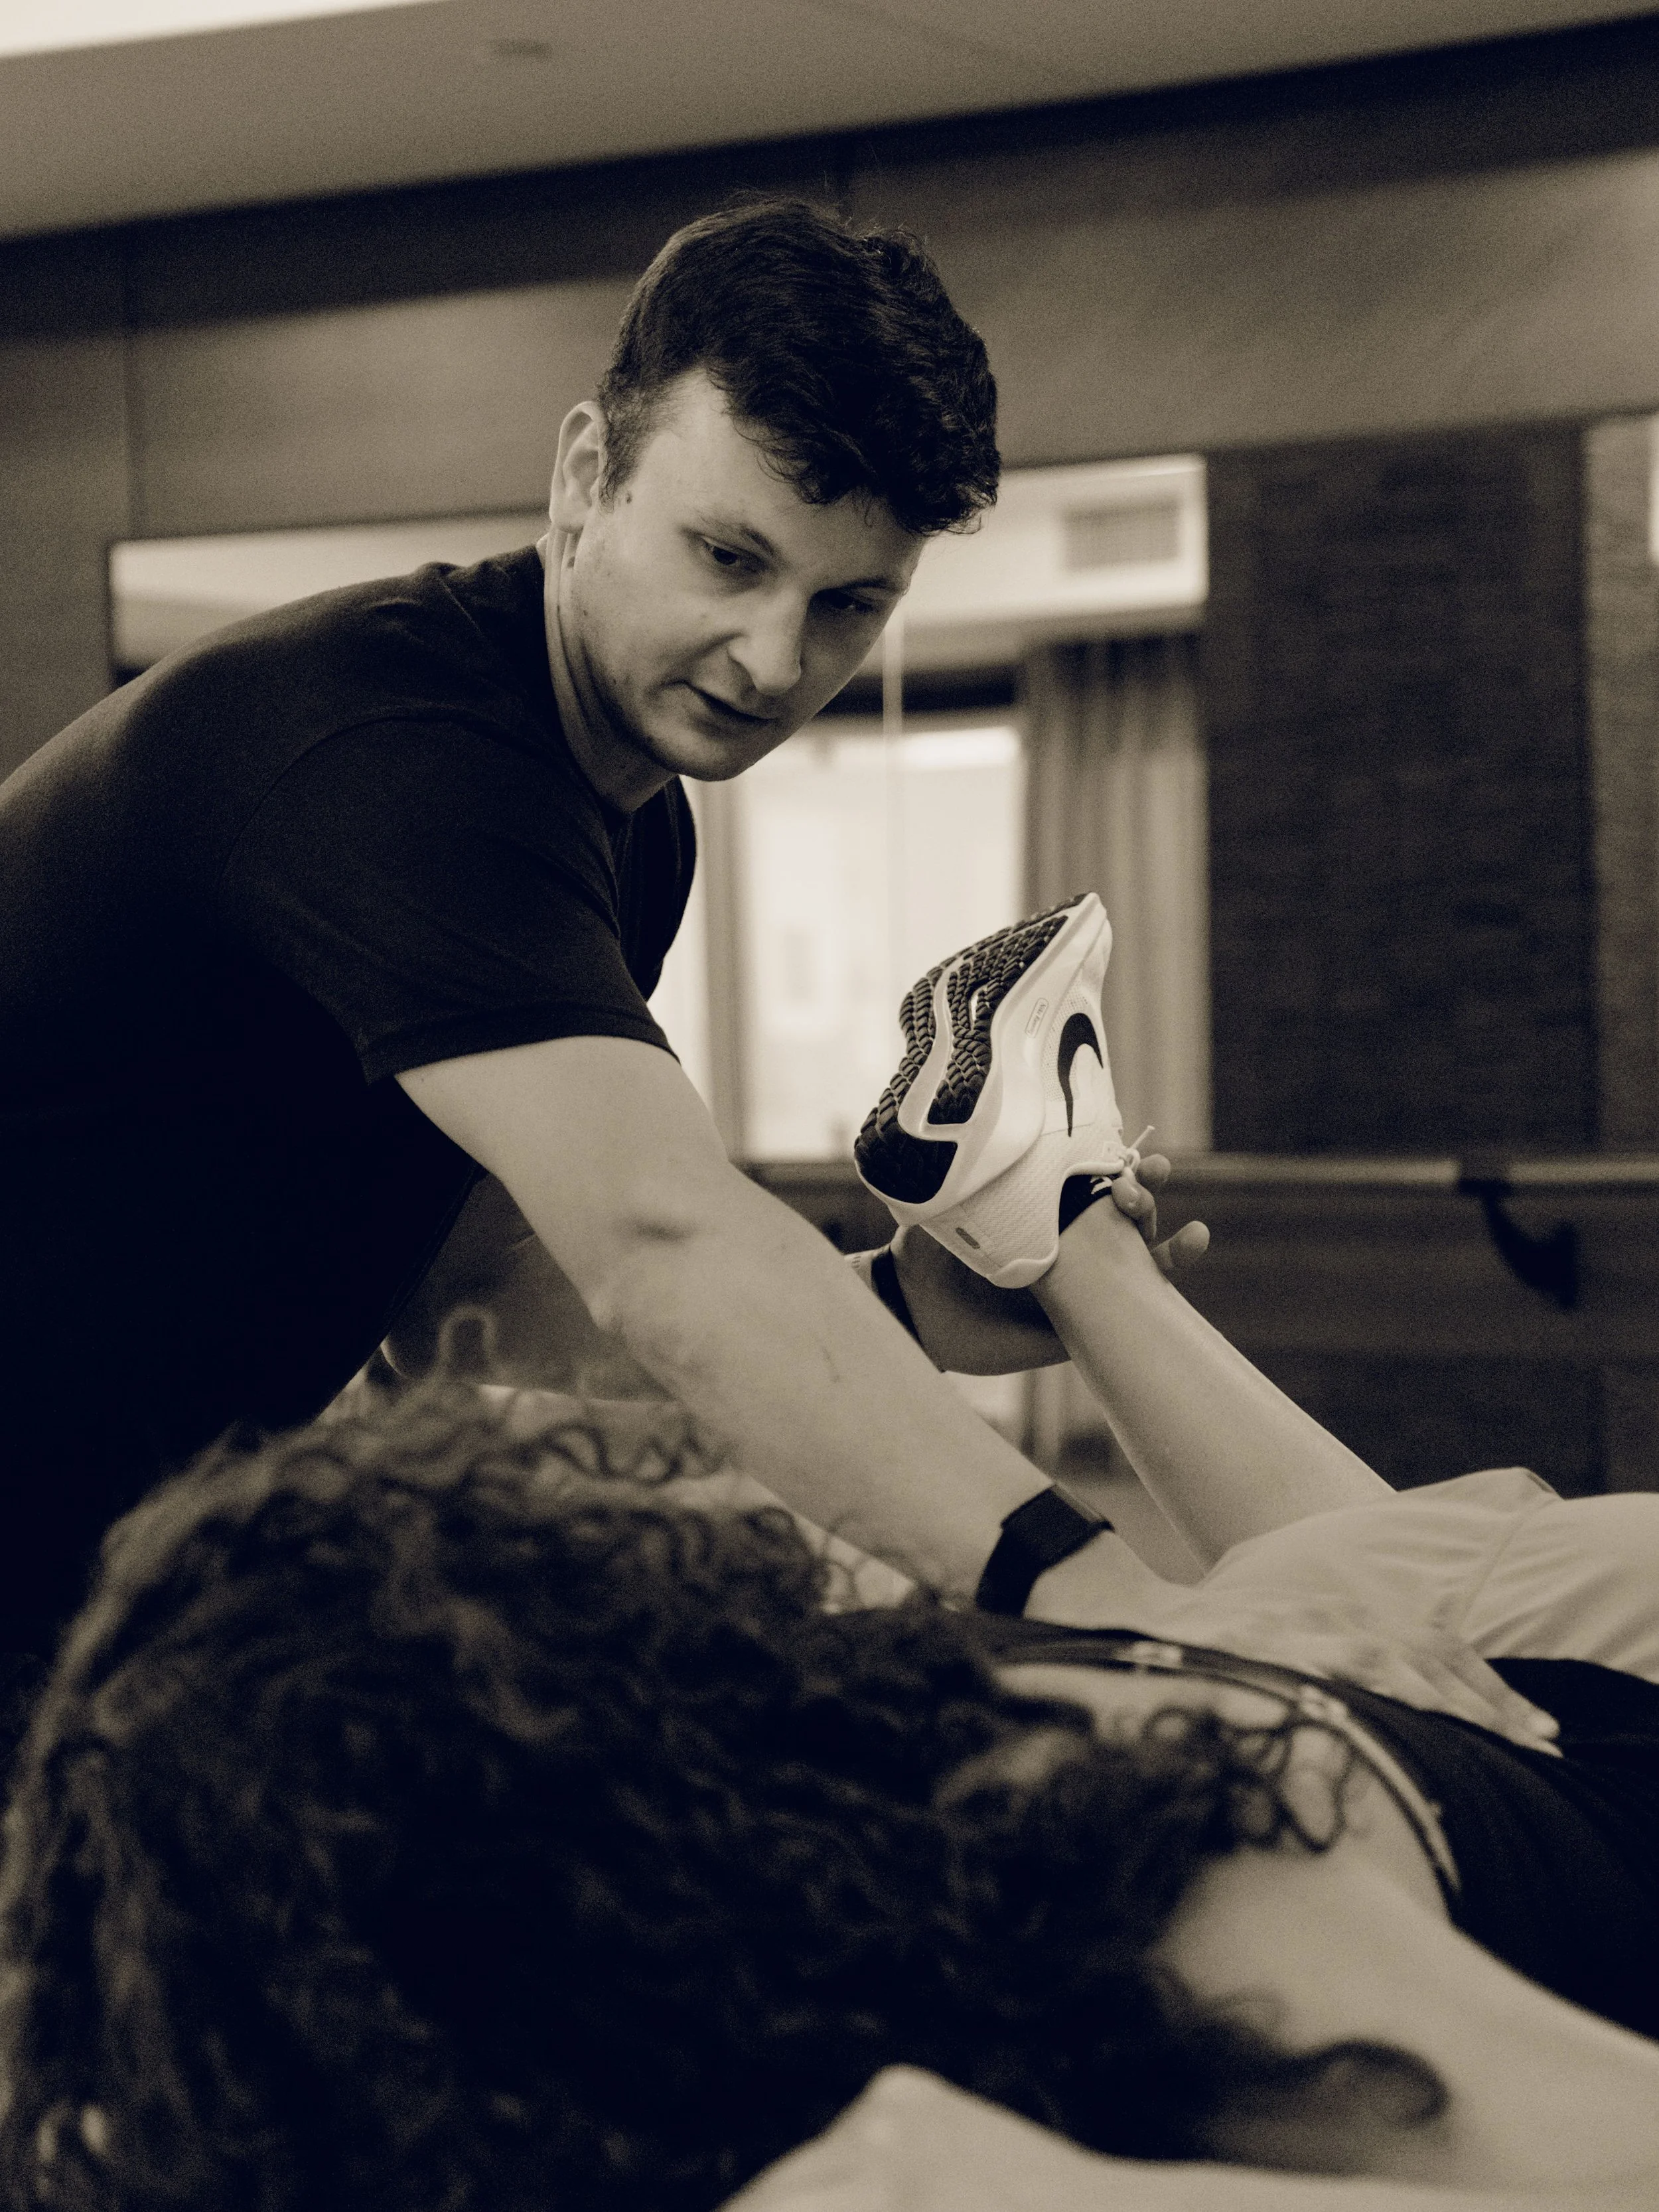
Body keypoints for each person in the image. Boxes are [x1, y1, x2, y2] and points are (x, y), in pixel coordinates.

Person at [1, 1122, 1656, 2209]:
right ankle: (1055, 1224)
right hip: (1398, 1667)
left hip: (1527, 1691)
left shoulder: (1127, 1870)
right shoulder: (745, 2011)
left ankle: (1059, 1225)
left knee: (1346, 1582)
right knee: (1330, 1576)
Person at [0, 197, 1084, 1660]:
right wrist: (1093, 1586)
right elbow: (661, 1240)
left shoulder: (631, 822)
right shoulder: (398, 750)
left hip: (93, 1587)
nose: (774, 658)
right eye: (728, 558)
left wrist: (894, 1308)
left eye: (847, 605)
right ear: (585, 475)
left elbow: (480, 1291)